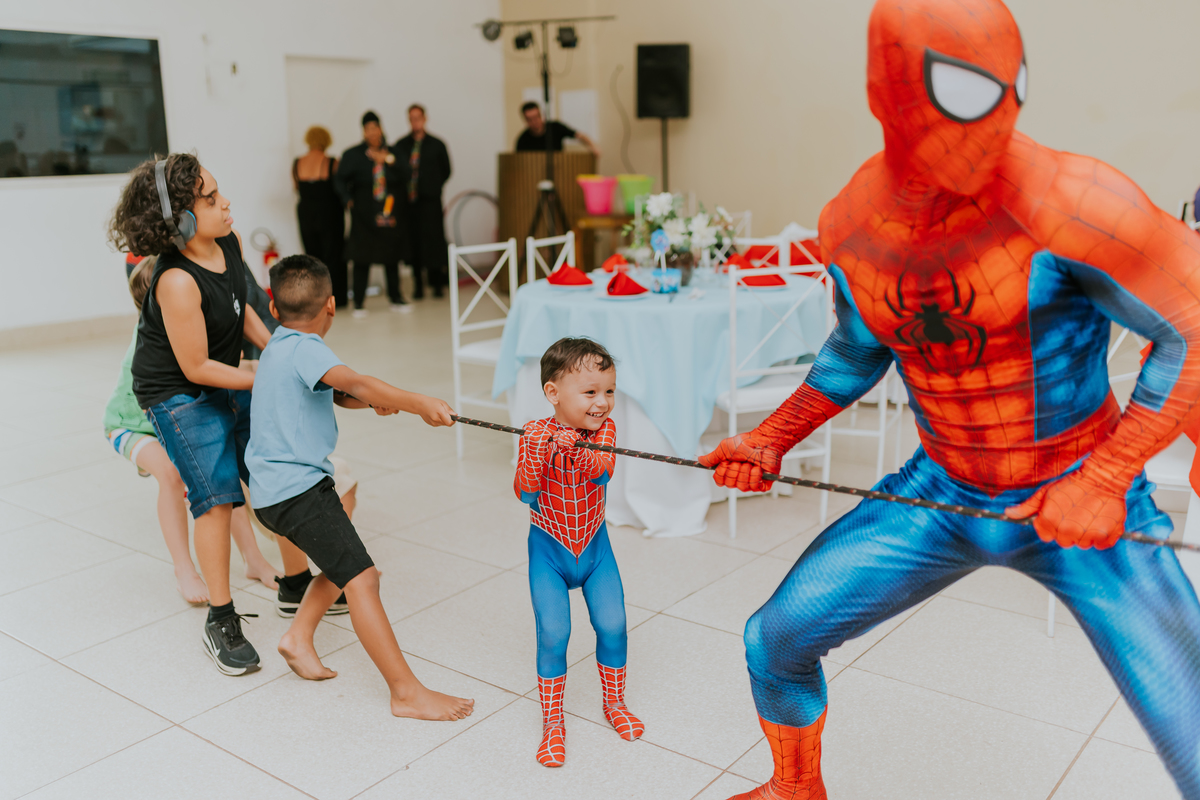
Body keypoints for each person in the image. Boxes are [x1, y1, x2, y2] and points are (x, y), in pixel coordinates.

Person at [698, 1, 1200, 798]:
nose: (995, 123)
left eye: (1011, 89)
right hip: (944, 489)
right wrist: (772, 437)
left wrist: (1109, 479)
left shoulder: (1072, 198)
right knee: (775, 639)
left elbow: (1193, 322)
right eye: (965, 92)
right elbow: (856, 351)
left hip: (1081, 484)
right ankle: (796, 790)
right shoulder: (853, 224)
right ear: (884, 90)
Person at [245, 254, 474, 721]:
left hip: (270, 491)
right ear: (332, 305)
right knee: (363, 578)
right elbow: (354, 380)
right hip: (297, 491)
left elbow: (333, 393)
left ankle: (298, 637)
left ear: (274, 307)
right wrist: (417, 403)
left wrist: (369, 404)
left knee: (341, 557)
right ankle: (405, 692)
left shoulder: (277, 346)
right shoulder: (309, 348)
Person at [110, 152, 274, 677]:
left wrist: (275, 351)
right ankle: (221, 620)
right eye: (210, 199)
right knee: (216, 497)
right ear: (179, 219)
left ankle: (291, 580)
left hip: (223, 370)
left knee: (266, 471)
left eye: (219, 192)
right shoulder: (174, 280)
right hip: (176, 392)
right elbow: (198, 367)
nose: (225, 203)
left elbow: (241, 303)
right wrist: (262, 375)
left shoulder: (228, 241)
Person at [104, 257, 280, 605]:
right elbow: (154, 405)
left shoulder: (192, 334)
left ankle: (254, 560)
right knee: (172, 476)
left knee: (221, 475)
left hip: (173, 422)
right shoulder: (149, 345)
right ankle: (183, 568)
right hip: (132, 426)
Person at [514, 337, 642, 767]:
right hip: (548, 551)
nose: (602, 403)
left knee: (614, 624)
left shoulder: (605, 432)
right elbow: (526, 493)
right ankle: (553, 723)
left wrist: (575, 448)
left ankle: (615, 703)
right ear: (553, 393)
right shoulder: (535, 432)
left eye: (609, 391)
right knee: (554, 633)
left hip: (594, 551)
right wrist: (538, 450)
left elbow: (600, 474)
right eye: (590, 392)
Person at [336, 111, 409, 317]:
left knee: (392, 255)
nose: (372, 132)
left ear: (381, 129)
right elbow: (340, 179)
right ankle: (358, 302)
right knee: (361, 256)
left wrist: (388, 159)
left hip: (389, 212)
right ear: (364, 132)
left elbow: (406, 173)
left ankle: (396, 297)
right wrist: (347, 199)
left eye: (375, 128)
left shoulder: (393, 152)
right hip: (363, 213)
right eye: (368, 129)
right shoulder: (353, 155)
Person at [393, 104, 451, 300]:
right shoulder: (401, 145)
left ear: (425, 118)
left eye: (418, 117)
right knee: (414, 243)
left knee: (434, 241)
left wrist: (431, 186)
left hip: (430, 202)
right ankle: (418, 284)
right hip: (410, 204)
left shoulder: (436, 144)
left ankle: (437, 283)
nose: (415, 121)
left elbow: (446, 170)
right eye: (412, 118)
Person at [293, 126, 347, 308]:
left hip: (306, 213)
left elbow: (296, 188)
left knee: (312, 257)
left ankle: (317, 301)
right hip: (329, 212)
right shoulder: (332, 162)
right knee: (334, 255)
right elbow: (340, 188)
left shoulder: (297, 163)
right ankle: (336, 299)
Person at [515, 101, 599, 156]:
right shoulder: (522, 139)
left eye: (537, 117)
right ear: (525, 120)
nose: (534, 121)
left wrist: (593, 147)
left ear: (541, 115)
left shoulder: (555, 127)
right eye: (530, 119)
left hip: (559, 171)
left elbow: (579, 135)